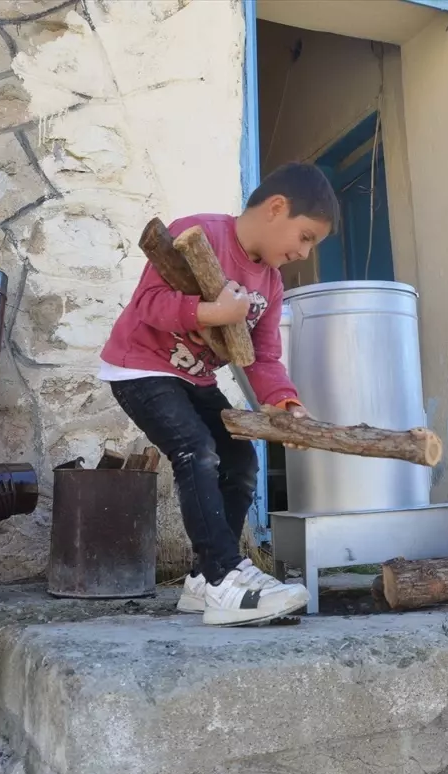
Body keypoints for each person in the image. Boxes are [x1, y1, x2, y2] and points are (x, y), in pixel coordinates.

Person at [99, 162, 339, 627]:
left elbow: (263, 358)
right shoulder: (198, 234)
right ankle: (224, 576)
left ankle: (201, 581)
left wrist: (285, 402)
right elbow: (147, 304)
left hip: (196, 380)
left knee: (241, 461)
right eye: (305, 236)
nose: (304, 252)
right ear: (276, 208)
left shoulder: (270, 282)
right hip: (139, 367)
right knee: (196, 450)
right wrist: (212, 311)